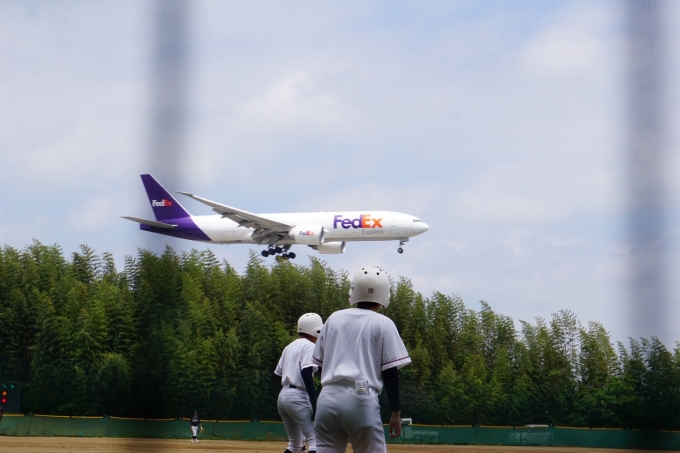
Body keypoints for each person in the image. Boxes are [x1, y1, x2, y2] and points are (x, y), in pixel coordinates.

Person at [310, 266, 411, 453]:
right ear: (384, 293)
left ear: (354, 290)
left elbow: (321, 365)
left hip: (327, 398)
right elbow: (390, 373)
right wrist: (395, 413)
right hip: (361, 397)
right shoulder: (384, 323)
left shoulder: (333, 319)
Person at [275, 313, 324, 453]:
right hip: (298, 396)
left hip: (283, 396)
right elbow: (306, 372)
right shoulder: (310, 346)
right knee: (316, 441)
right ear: (316, 331)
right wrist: (314, 402)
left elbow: (278, 374)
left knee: (295, 444)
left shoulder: (289, 347)